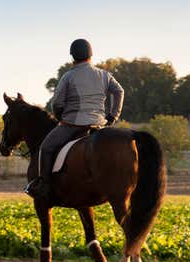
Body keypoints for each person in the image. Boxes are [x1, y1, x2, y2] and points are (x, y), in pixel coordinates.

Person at [25, 38, 125, 200]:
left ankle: (44, 185)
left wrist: (60, 117)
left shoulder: (68, 76)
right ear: (91, 55)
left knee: (46, 148)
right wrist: (113, 115)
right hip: (99, 125)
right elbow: (119, 91)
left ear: (73, 56)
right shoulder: (104, 75)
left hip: (72, 124)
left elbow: (57, 102)